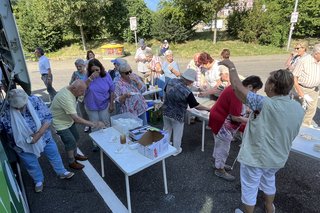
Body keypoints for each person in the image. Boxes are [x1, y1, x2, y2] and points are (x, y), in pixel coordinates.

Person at [219, 60, 304, 213]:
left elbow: (238, 87)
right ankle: (269, 207)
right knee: (268, 180)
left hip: (257, 157)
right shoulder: (297, 107)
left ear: (272, 86)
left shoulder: (264, 103)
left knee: (250, 187)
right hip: (278, 158)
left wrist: (231, 66)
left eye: (268, 82)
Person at [0, 89, 74, 193]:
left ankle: (61, 171)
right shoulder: (4, 108)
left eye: (22, 106)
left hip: (44, 136)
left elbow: (48, 118)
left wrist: (38, 134)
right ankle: (38, 180)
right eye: (17, 108)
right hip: (20, 144)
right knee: (30, 163)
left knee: (53, 154)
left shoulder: (35, 100)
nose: (21, 109)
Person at [209, 76, 263, 181]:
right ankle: (219, 169)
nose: (255, 94)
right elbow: (235, 117)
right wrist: (252, 120)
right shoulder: (236, 94)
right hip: (221, 121)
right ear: (250, 86)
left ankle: (218, 163)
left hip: (218, 117)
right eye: (255, 91)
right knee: (223, 148)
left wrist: (248, 112)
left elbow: (240, 108)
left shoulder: (236, 88)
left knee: (219, 144)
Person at [50, 80, 105, 170]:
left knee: (76, 137)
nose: (83, 93)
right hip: (60, 123)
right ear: (74, 88)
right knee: (70, 141)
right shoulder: (66, 97)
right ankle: (71, 161)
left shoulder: (71, 90)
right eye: (81, 91)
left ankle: (75, 154)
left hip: (68, 120)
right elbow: (76, 118)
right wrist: (94, 124)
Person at [162, 69, 211, 156]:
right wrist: (208, 108)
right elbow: (196, 106)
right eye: (192, 81)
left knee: (166, 129)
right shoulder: (187, 92)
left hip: (166, 110)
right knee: (177, 133)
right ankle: (176, 150)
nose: (192, 82)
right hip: (177, 115)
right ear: (189, 80)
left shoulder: (171, 81)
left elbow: (165, 91)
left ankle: (165, 146)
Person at [84, 59, 115, 151]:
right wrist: (90, 79)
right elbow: (82, 88)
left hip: (104, 104)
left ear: (101, 68)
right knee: (95, 125)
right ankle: (96, 144)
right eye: (92, 70)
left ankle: (108, 141)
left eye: (97, 70)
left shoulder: (106, 75)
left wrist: (112, 104)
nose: (95, 72)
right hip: (91, 105)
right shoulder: (87, 77)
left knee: (106, 123)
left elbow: (111, 90)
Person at [292, 43, 320, 127]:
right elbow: (294, 77)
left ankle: (305, 126)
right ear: (316, 54)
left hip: (314, 89)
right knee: (298, 109)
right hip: (302, 88)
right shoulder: (304, 61)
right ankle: (293, 126)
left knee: (311, 109)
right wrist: (299, 91)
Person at [70, 59, 90, 132]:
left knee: (90, 110)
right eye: (77, 66)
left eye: (80, 66)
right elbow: (71, 84)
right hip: (80, 97)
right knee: (83, 111)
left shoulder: (88, 74)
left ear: (84, 66)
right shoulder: (75, 74)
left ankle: (93, 123)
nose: (78, 68)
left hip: (88, 95)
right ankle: (87, 124)